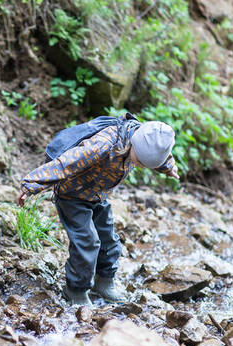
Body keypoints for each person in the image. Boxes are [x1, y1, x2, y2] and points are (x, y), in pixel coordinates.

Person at [16, 114, 179, 306]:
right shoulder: (103, 144)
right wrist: (32, 184)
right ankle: (75, 290)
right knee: (87, 241)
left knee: (109, 240)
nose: (139, 166)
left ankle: (105, 282)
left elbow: (160, 154)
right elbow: (65, 163)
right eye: (140, 161)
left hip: (98, 194)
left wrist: (168, 167)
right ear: (134, 144)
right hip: (72, 195)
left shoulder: (147, 139)